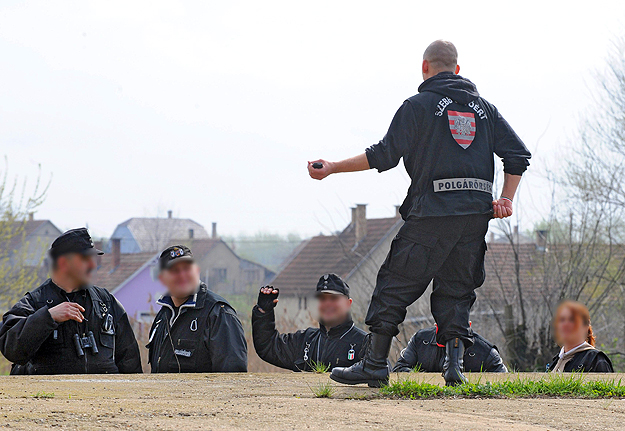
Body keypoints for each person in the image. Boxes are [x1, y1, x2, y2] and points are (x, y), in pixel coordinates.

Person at [308, 40, 531, 386]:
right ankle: (454, 368)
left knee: (393, 285)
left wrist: (334, 166)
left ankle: (375, 365)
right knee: (457, 289)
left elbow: (384, 154)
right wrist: (506, 198)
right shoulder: (486, 110)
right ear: (457, 69)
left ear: (424, 67)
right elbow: (518, 156)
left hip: (432, 215)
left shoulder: (417, 106)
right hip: (474, 218)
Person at [0, 228, 142, 374]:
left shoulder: (106, 302)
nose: (93, 266)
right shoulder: (34, 303)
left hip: (105, 396)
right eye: (85, 259)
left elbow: (130, 364)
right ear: (63, 263)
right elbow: (11, 348)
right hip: (51, 396)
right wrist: (48, 317)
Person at [146, 245, 247, 373]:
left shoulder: (219, 314)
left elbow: (232, 379)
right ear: (163, 278)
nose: (182, 275)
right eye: (175, 271)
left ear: (197, 271)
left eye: (187, 269)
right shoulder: (163, 317)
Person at [252, 273, 367, 372]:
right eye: (322, 299)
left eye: (333, 299)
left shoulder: (365, 343)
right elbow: (268, 347)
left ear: (348, 303)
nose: (327, 304)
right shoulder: (305, 340)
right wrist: (263, 312)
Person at [392, 325, 507, 373]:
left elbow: (505, 383)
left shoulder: (486, 351)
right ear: (436, 324)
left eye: (457, 327)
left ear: (468, 325)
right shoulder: (420, 339)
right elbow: (398, 369)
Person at [547, 300, 613, 373]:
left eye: (572, 320)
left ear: (585, 326)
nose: (565, 325)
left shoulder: (596, 361)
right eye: (562, 320)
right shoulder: (555, 363)